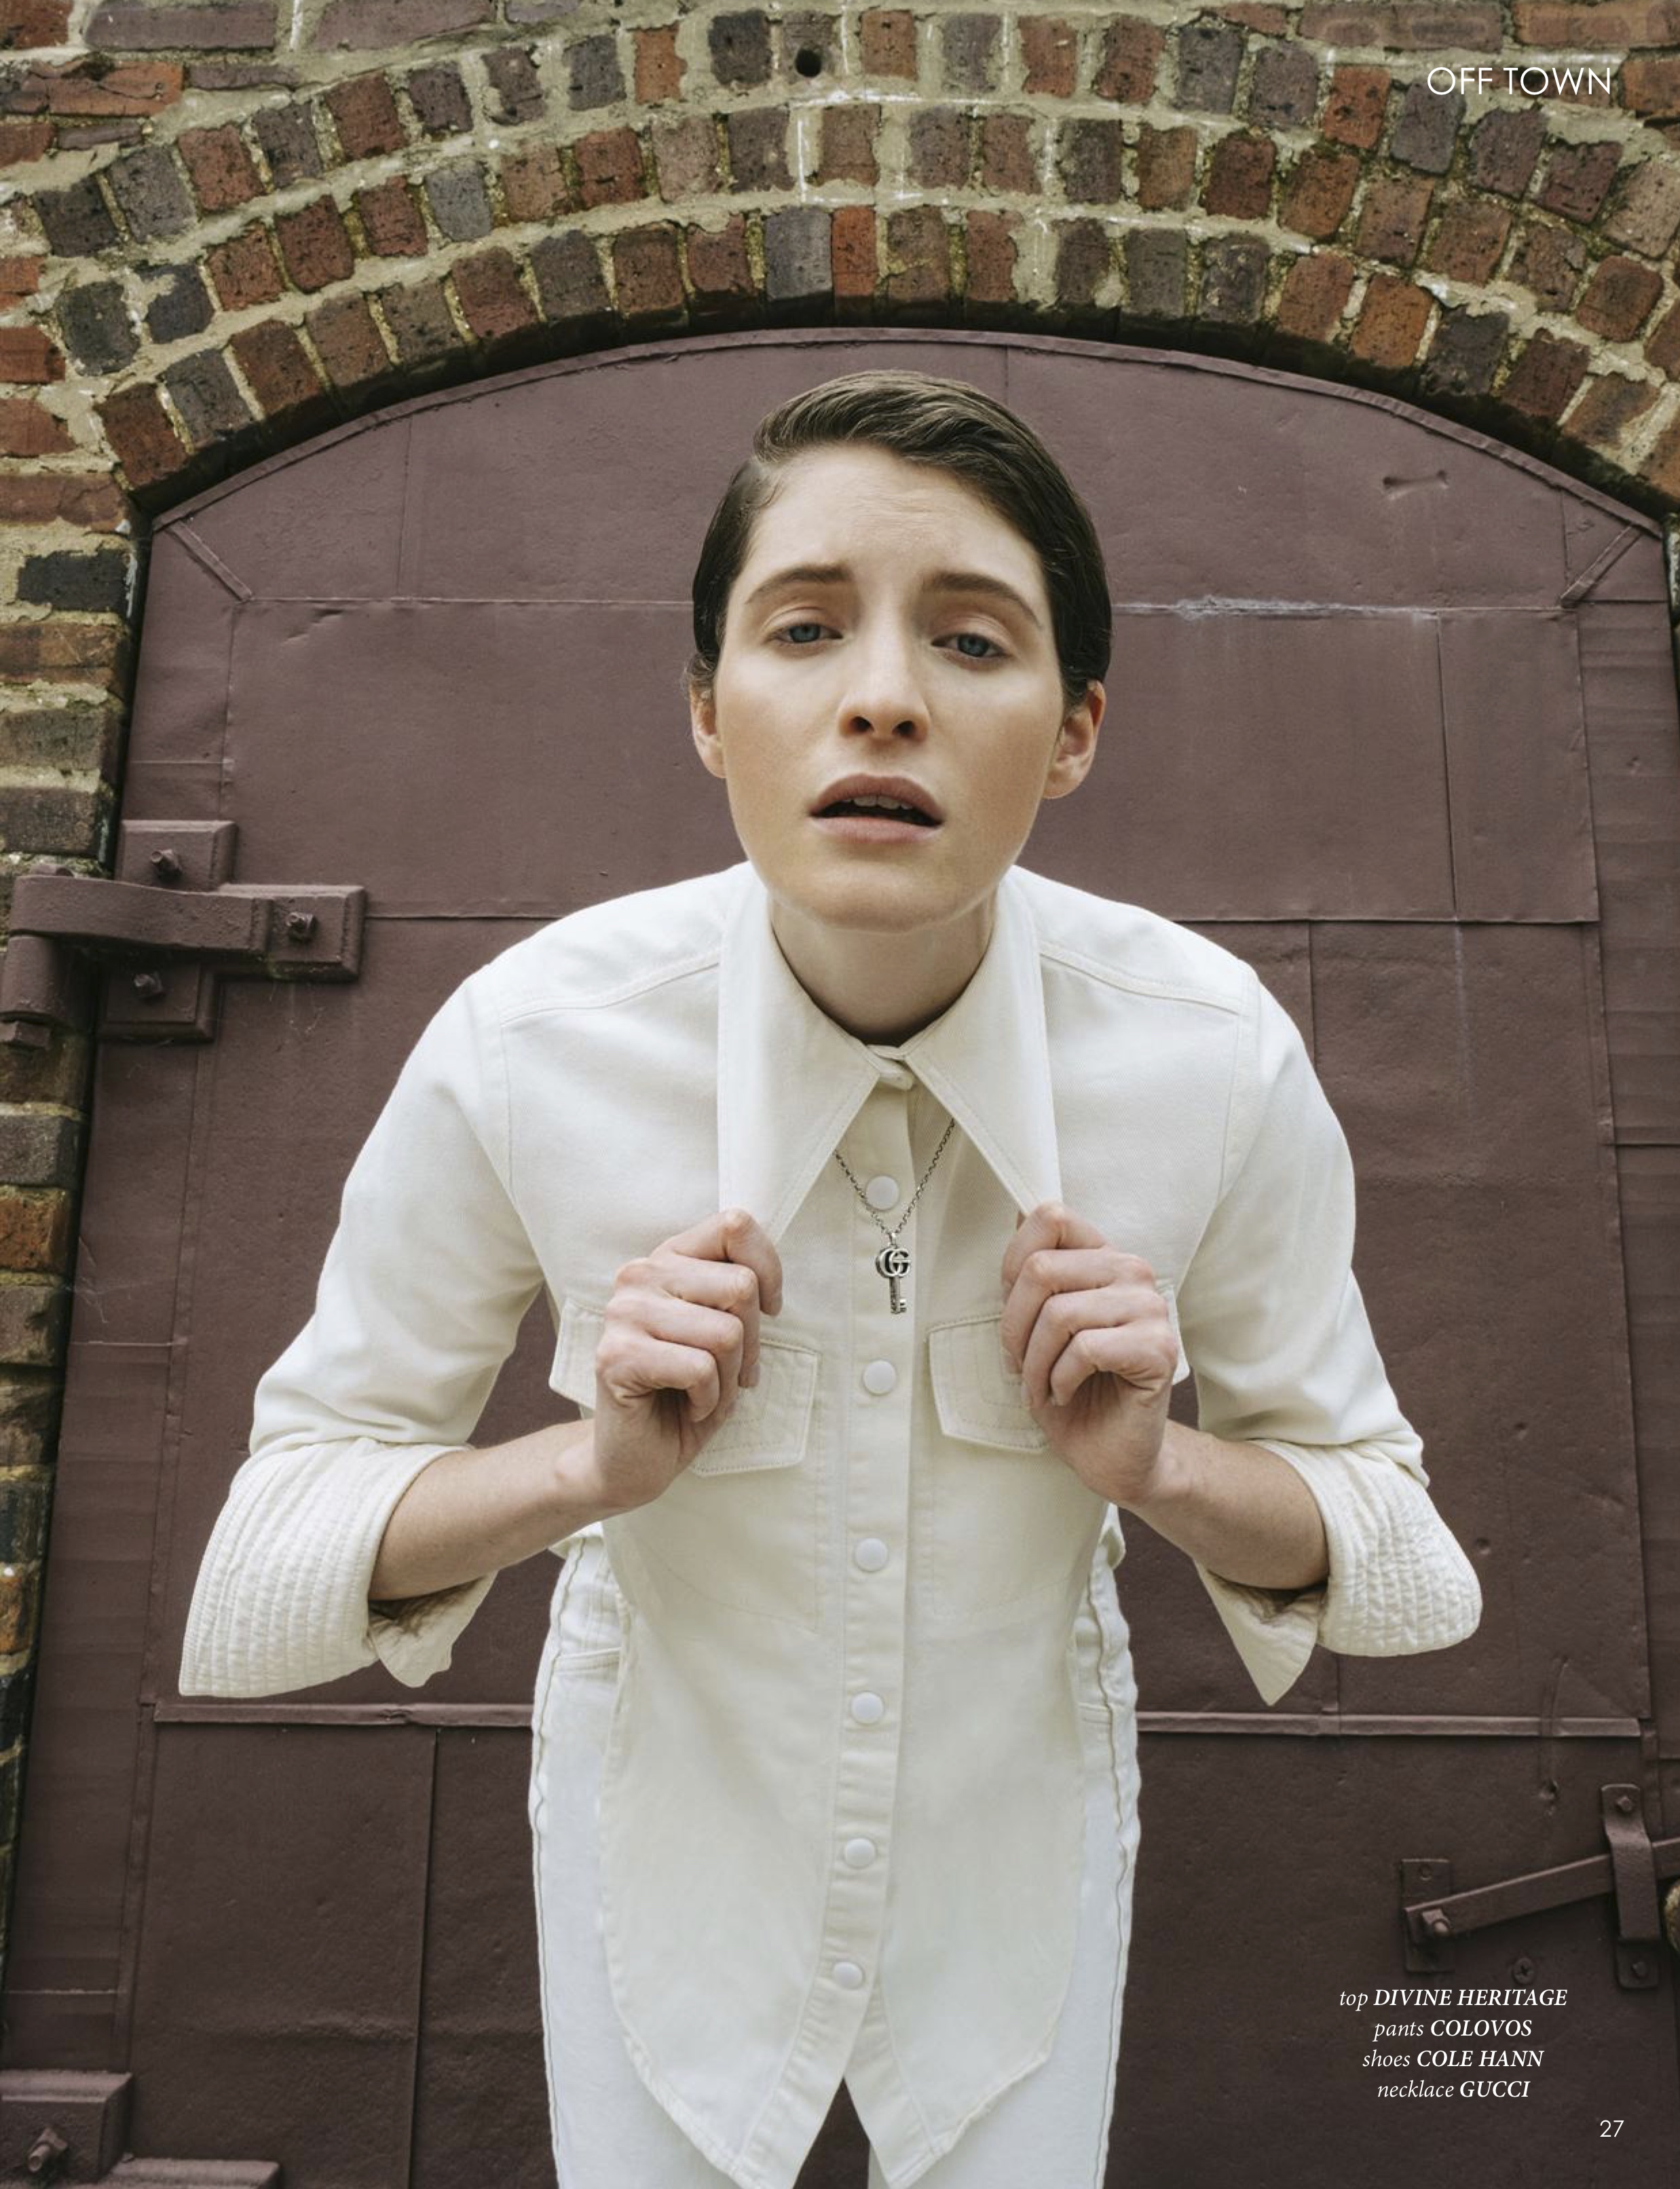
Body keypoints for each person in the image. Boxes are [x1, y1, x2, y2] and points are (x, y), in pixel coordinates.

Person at [179, 369, 1483, 2189]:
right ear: (708, 711)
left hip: (1024, 1848)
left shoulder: (1210, 1055)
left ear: (1075, 729)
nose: (881, 694)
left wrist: (1158, 1466)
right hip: (659, 1844)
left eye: (971, 639)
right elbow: (261, 1577)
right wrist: (587, 1468)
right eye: (804, 629)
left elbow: (1403, 1563)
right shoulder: (529, 1042)